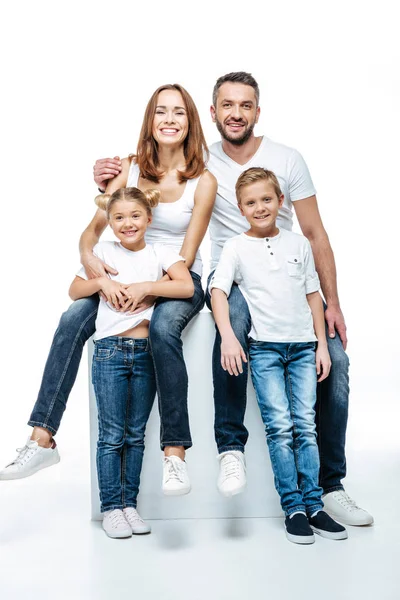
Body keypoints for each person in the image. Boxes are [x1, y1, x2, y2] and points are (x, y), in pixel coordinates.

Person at [91, 72, 373, 526]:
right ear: (213, 112)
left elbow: (315, 233)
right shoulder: (202, 161)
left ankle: (331, 484)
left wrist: (333, 302)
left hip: (290, 278)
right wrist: (106, 175)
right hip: (235, 277)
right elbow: (149, 167)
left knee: (335, 360)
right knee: (233, 330)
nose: (236, 113)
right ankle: (230, 449)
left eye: (245, 105)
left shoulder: (288, 159)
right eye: (227, 105)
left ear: (257, 112)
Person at [0, 84, 217, 497]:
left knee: (163, 331)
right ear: (150, 122)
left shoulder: (203, 180)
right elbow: (92, 232)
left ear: (191, 122)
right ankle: (42, 438)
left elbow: (186, 258)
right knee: (71, 319)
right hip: (120, 279)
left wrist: (146, 291)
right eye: (161, 112)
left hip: (176, 282)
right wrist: (96, 269)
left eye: (179, 113)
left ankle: (175, 454)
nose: (169, 120)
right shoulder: (129, 167)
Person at [211, 167, 347, 544]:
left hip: (304, 349)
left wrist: (322, 344)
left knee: (306, 426)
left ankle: (316, 505)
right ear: (240, 209)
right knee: (280, 428)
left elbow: (312, 296)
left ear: (281, 202)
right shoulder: (236, 247)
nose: (260, 208)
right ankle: (294, 508)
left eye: (267, 199)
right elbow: (218, 292)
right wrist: (227, 337)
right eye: (251, 203)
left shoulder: (297, 245)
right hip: (266, 350)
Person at [69, 186, 194, 538]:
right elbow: (74, 291)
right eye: (119, 217)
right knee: (112, 435)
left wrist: (147, 287)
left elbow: (185, 287)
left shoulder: (160, 251)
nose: (128, 223)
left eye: (135, 216)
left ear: (149, 219)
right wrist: (102, 282)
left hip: (145, 353)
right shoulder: (103, 252)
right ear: (109, 222)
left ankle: (129, 506)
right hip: (109, 352)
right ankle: (111, 507)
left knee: (135, 435)